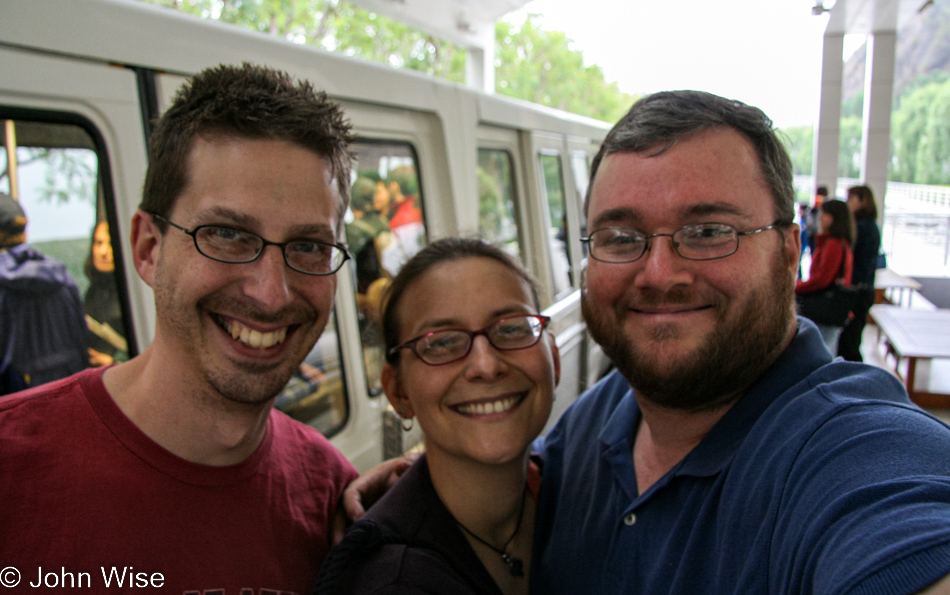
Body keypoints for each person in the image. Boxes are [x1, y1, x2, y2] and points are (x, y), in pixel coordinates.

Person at [529, 91, 950, 593]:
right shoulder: (599, 415)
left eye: (708, 231)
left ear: (788, 251)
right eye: (620, 237)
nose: (659, 274)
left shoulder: (859, 452)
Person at [0, 63, 358, 593]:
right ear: (148, 248)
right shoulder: (12, 469)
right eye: (228, 234)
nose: (271, 292)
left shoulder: (332, 493)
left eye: (310, 246)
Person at [316, 237, 559, 595]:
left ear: (552, 359)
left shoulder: (577, 484)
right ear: (398, 392)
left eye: (511, 328)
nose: (485, 366)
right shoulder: (394, 581)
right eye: (442, 343)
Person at [0, 191, 86, 394]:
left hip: (20, 396)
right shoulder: (64, 278)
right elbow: (80, 335)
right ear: (24, 231)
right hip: (70, 388)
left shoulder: (3, 288)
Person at [795, 199, 855, 352]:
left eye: (824, 213)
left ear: (834, 218)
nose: (820, 217)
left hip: (826, 308)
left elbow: (822, 279)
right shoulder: (839, 242)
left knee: (822, 352)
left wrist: (797, 286)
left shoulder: (833, 244)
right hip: (831, 308)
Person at [838, 184, 883, 362]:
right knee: (849, 342)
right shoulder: (868, 225)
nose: (847, 202)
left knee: (849, 344)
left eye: (850, 198)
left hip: (858, 291)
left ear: (862, 201)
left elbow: (854, 258)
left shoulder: (863, 227)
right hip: (862, 289)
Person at [84, 221, 129, 366]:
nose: (104, 252)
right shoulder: (92, 291)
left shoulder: (134, 292)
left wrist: (115, 362)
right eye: (99, 243)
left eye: (111, 243)